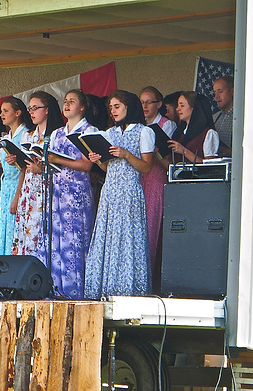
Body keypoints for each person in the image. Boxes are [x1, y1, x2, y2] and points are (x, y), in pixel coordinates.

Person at [85, 90, 154, 300]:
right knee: (108, 238)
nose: (113, 111)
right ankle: (105, 290)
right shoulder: (109, 133)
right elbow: (109, 168)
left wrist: (126, 154)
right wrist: (97, 159)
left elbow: (146, 167)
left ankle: (129, 290)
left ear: (128, 107)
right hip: (110, 192)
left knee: (128, 238)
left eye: (117, 106)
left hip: (130, 191)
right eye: (111, 107)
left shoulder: (144, 132)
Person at [34, 89, 96, 299]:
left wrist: (57, 160)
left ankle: (75, 290)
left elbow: (87, 165)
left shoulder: (88, 131)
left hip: (76, 193)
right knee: (54, 239)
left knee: (74, 240)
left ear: (82, 106)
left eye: (72, 101)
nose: (67, 104)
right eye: (66, 101)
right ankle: (53, 287)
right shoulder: (57, 133)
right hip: (56, 191)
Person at [12, 91, 64, 256]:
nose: (31, 112)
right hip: (28, 190)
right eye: (30, 108)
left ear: (47, 109)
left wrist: (41, 169)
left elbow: (63, 167)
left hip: (47, 191)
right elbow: (24, 168)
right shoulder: (28, 135)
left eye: (36, 108)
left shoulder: (57, 135)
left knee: (40, 231)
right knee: (25, 232)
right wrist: (16, 160)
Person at [139, 87, 175, 293]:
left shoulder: (166, 124)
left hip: (157, 176)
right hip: (142, 176)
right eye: (142, 102)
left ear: (159, 104)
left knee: (153, 224)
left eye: (148, 102)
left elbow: (167, 155)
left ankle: (152, 278)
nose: (144, 106)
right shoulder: (141, 125)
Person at [0, 97, 33, 255]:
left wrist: (17, 196)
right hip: (4, 189)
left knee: (13, 229)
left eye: (6, 111)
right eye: (1, 111)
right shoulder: (5, 138)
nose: (2, 114)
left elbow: (25, 169)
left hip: (17, 188)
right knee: (0, 230)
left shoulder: (25, 135)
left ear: (18, 113)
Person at [167, 91, 220, 162]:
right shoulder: (179, 133)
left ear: (194, 107)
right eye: (178, 105)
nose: (177, 109)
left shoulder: (208, 133)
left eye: (182, 105)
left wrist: (184, 151)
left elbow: (208, 166)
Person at [212, 75, 234, 154]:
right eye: (215, 92)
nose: (216, 96)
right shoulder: (214, 118)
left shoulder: (242, 118)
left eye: (220, 91)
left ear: (232, 91)